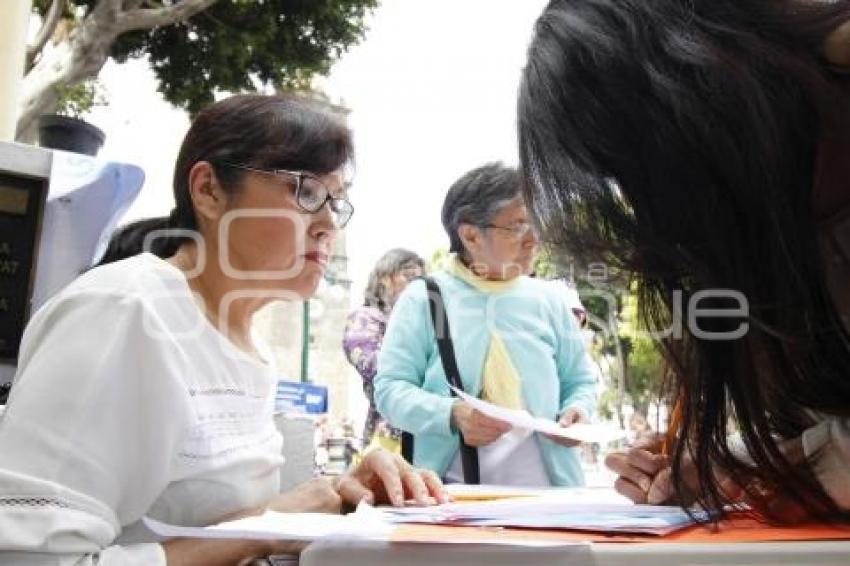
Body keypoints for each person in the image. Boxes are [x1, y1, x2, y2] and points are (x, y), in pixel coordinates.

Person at [0, 94, 447, 565]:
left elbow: (204, 519)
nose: (326, 224)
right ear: (209, 190)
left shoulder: (247, 345)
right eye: (306, 192)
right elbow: (28, 559)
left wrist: (341, 491)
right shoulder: (126, 311)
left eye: (336, 202)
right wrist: (266, 526)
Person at [517, 0, 850, 521]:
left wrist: (763, 468)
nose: (660, 211)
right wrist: (725, 462)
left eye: (651, 168)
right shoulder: (785, 233)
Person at [374, 162, 597, 486]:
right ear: (470, 236)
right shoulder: (424, 299)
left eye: (535, 223)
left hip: (551, 497)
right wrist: (451, 414)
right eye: (518, 226)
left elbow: (579, 380)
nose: (533, 239)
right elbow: (391, 389)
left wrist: (578, 409)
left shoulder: (550, 300)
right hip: (450, 496)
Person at [343, 248, 425, 451]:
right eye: (409, 276)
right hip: (389, 439)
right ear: (383, 280)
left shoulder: (424, 323)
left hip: (426, 437)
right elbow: (377, 367)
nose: (417, 286)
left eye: (421, 280)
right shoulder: (365, 318)